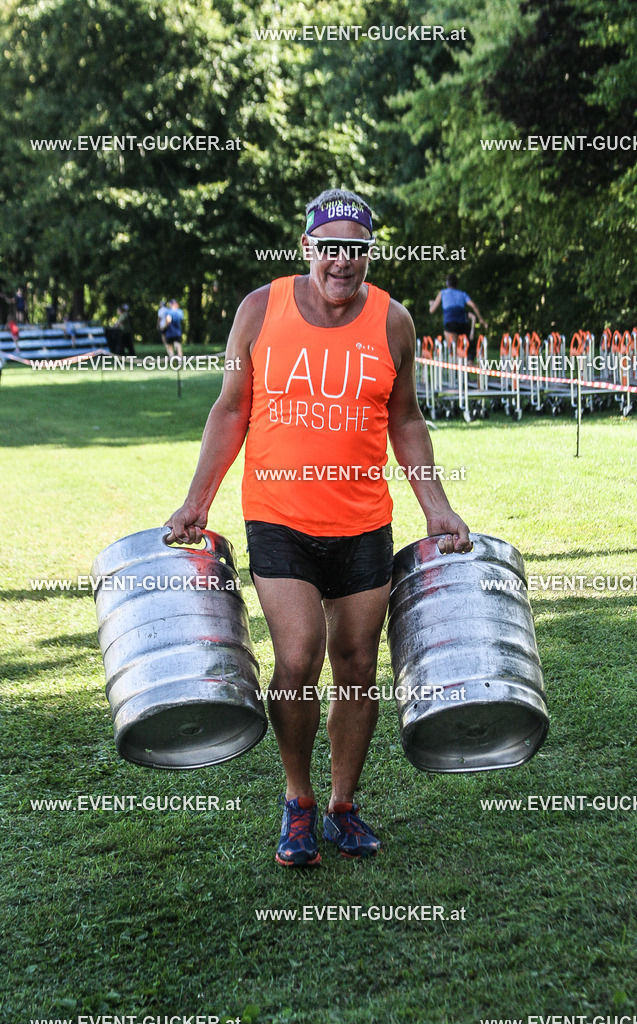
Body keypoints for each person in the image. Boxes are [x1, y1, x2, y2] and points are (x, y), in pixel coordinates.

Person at [165, 188, 472, 868]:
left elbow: (405, 418)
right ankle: (297, 798)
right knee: (299, 656)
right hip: (279, 517)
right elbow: (230, 409)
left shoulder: (393, 321)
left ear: (368, 253)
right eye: (329, 247)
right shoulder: (259, 310)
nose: (341, 261)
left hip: (362, 523)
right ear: (307, 247)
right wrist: (197, 501)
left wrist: (437, 507)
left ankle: (343, 804)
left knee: (357, 666)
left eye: (355, 250)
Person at [429, 273, 487, 344]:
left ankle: (452, 349)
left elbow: (431, 310)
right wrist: (481, 319)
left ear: (447, 283)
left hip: (450, 324)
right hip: (463, 325)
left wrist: (431, 304)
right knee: (465, 346)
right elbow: (473, 305)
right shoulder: (463, 294)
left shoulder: (442, 293)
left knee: (452, 348)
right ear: (457, 284)